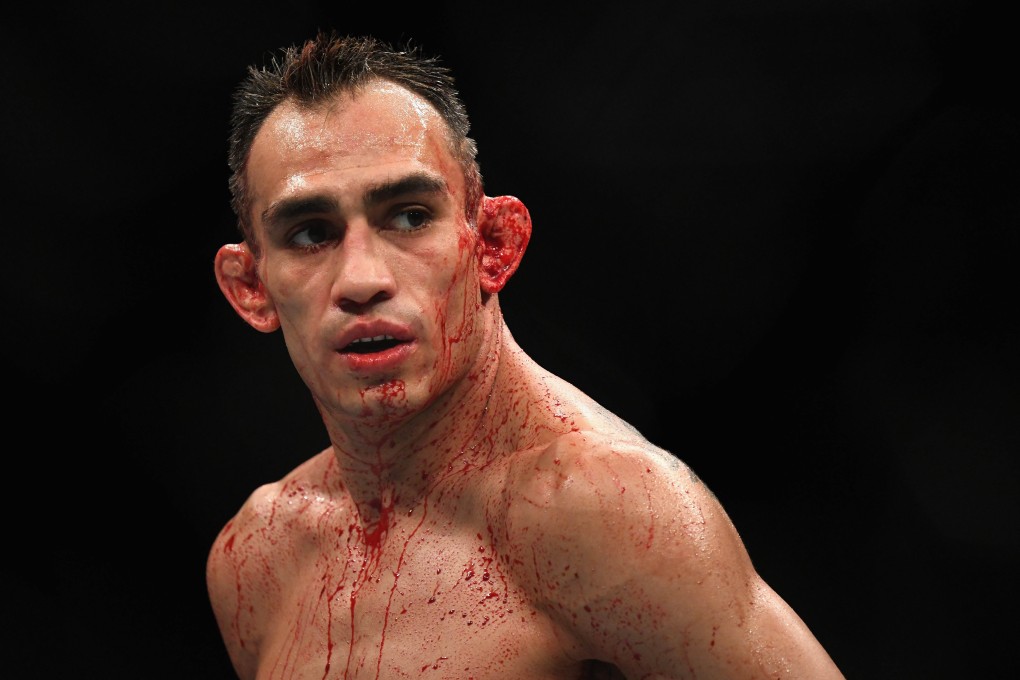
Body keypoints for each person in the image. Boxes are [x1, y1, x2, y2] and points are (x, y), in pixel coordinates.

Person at [207, 29, 845, 680]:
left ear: (493, 245)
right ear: (251, 288)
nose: (362, 278)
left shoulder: (606, 514)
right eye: (311, 233)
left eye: (407, 216)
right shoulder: (259, 557)